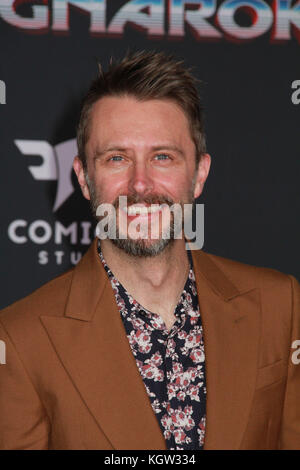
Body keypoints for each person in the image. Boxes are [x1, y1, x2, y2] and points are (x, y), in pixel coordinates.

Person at [0, 51, 299, 450]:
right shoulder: (20, 340)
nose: (140, 185)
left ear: (199, 175)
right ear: (84, 179)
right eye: (117, 158)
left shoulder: (281, 305)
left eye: (162, 157)